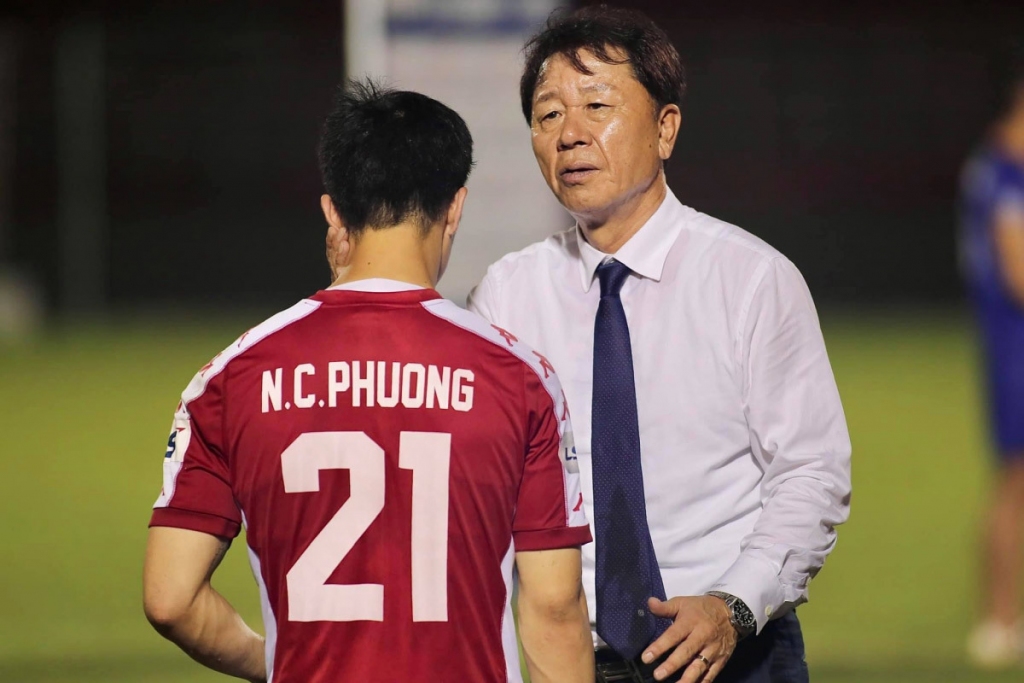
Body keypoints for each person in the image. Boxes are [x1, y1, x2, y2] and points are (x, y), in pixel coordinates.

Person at [142, 81, 595, 683]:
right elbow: (554, 607)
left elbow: (169, 599)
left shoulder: (229, 379)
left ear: (333, 211)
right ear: (455, 207)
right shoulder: (520, 379)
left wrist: (273, 663)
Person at [465, 7, 852, 683]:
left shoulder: (749, 278)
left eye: (597, 106)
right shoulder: (507, 296)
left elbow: (811, 472)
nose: (570, 134)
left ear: (665, 128)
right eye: (548, 114)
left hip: (735, 655)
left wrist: (733, 605)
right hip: (574, 663)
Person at [960, 49, 1024, 669]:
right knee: (1014, 485)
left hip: (1006, 348)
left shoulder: (990, 166)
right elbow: (1017, 272)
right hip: (1016, 351)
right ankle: (998, 621)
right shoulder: (1007, 173)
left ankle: (1004, 620)